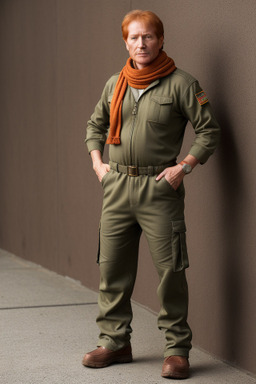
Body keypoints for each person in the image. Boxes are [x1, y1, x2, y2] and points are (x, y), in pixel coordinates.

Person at [82, 10, 220, 379]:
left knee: (170, 272)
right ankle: (114, 342)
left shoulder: (182, 84)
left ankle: (176, 350)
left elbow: (209, 132)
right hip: (117, 188)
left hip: (160, 189)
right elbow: (95, 126)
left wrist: (184, 167)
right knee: (111, 269)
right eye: (133, 38)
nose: (140, 44)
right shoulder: (115, 84)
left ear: (161, 40)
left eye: (148, 37)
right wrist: (99, 165)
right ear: (125, 42)